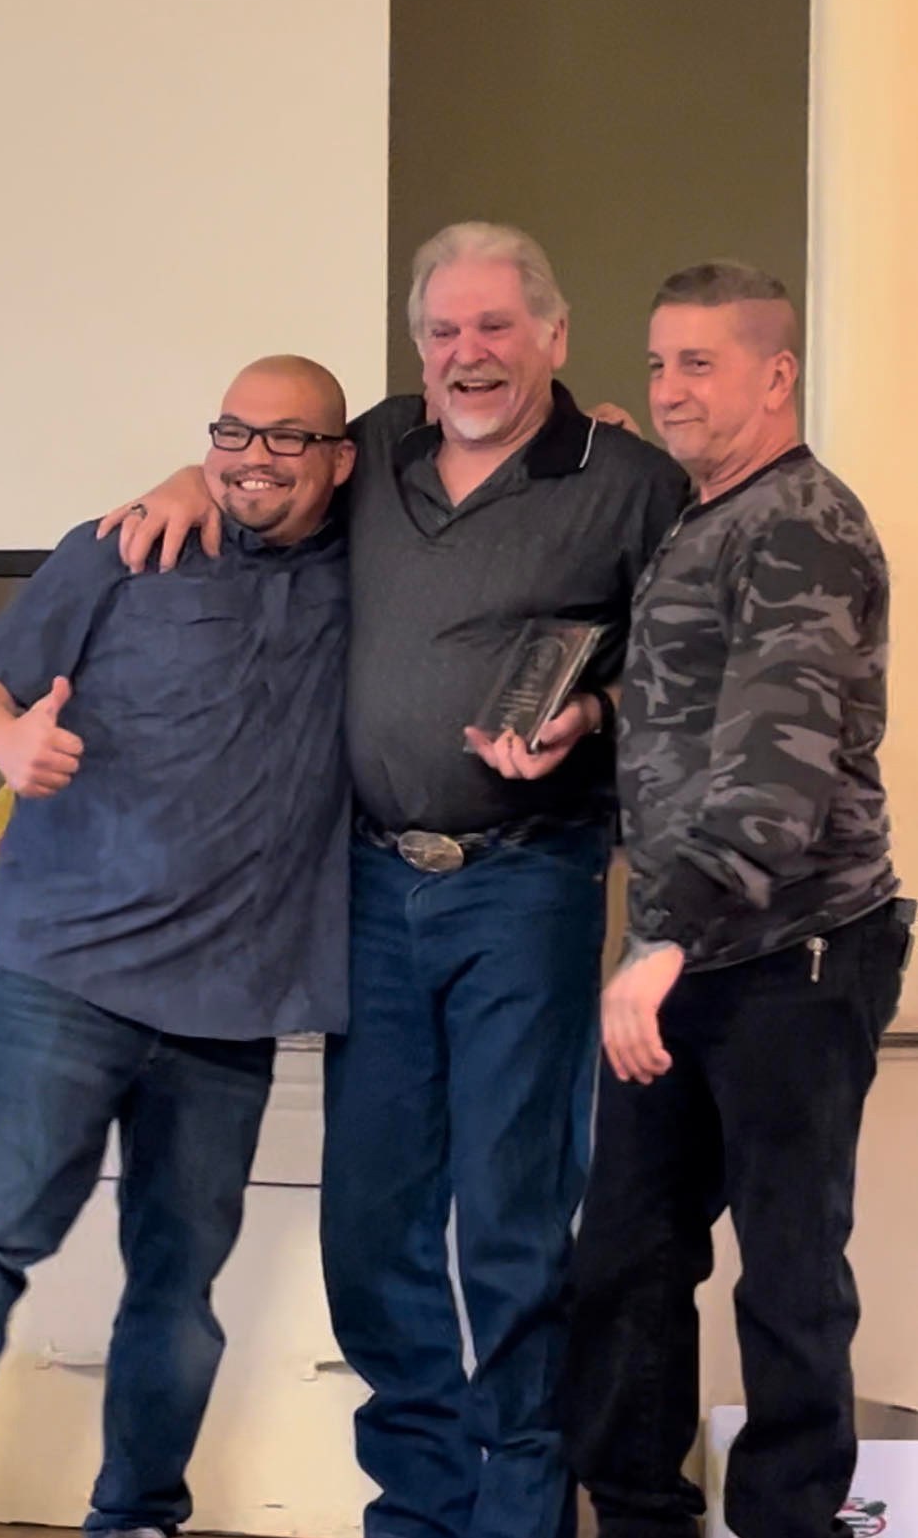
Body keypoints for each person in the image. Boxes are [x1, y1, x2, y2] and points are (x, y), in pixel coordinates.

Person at [98, 223, 688, 1538]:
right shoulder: (373, 449)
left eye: (495, 326)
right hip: (367, 890)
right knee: (371, 1232)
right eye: (443, 330)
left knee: (511, 1225)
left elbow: (683, 674)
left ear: (552, 335)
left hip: (525, 886)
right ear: (417, 345)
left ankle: (518, 1513)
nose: (467, 353)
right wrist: (189, 479)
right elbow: (264, 471)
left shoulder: (627, 481)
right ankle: (417, 1510)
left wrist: (590, 715)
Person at [0, 355, 356, 1538]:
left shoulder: (364, 570)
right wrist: (7, 746)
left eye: (288, 437)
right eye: (231, 432)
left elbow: (471, 449)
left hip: (230, 1005)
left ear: (340, 460)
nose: (254, 457)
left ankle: (138, 1516)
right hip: (66, 976)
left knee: (179, 1287)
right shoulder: (125, 547)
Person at [560, 263, 914, 1538]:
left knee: (788, 1271)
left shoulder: (802, 523)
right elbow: (686, 707)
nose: (670, 390)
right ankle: (639, 1515)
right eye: (660, 363)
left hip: (791, 953)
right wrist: (583, 717)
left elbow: (778, 765)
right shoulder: (703, 513)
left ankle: (787, 1523)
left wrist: (663, 938)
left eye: (700, 364)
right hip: (686, 954)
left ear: (778, 375)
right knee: (628, 1259)